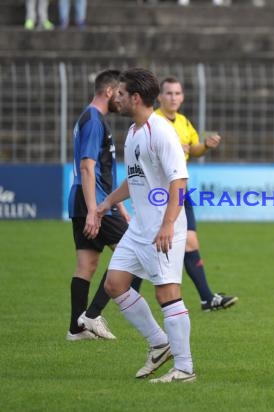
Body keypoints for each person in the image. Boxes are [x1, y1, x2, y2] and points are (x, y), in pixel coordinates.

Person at [97, 67, 195, 383]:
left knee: (167, 293)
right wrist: (107, 203)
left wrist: (167, 225)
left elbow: (179, 181)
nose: (117, 97)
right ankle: (159, 342)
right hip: (140, 227)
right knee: (114, 283)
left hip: (162, 227)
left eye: (122, 94)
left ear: (135, 98)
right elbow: (135, 177)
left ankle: (185, 368)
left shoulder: (161, 132)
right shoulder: (135, 132)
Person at [67, 69, 141, 341]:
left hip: (90, 200)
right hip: (93, 202)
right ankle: (93, 315)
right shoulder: (94, 121)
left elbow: (102, 171)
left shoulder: (90, 119)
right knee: (133, 253)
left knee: (87, 264)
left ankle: (76, 329)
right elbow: (88, 167)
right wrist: (93, 211)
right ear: (108, 91)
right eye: (118, 92)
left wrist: (121, 208)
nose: (120, 98)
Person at [155, 77, 238, 311]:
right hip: (161, 191)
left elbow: (194, 149)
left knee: (190, 241)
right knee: (156, 246)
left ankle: (206, 298)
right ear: (159, 97)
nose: (173, 98)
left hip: (181, 189)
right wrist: (171, 151)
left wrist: (206, 146)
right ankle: (123, 291)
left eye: (177, 93)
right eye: (169, 93)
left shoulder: (182, 121)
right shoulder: (155, 122)